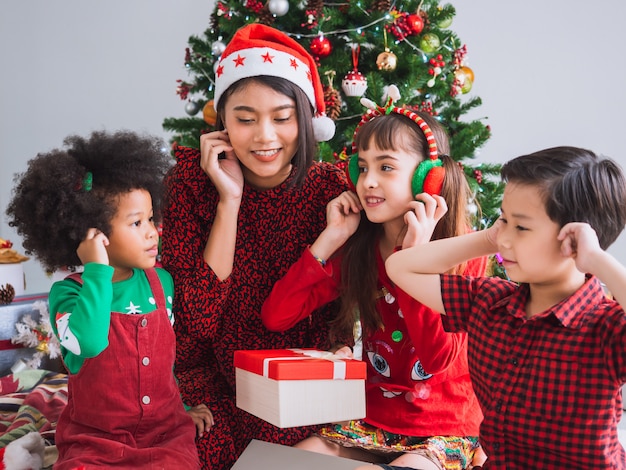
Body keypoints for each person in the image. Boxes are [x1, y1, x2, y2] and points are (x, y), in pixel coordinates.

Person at [262, 87, 487, 470]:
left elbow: (437, 359)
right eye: (362, 167)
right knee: (292, 462)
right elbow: (277, 315)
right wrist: (330, 238)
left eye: (385, 167)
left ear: (427, 180)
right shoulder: (361, 250)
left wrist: (412, 262)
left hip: (444, 427)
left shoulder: (464, 254)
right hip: (372, 420)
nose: (367, 181)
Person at [160, 24, 350, 469]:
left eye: (282, 117)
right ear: (223, 120)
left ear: (306, 119)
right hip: (212, 382)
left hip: (299, 385)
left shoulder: (333, 190)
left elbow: (348, 305)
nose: (265, 136)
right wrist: (230, 200)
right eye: (245, 119)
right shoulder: (189, 184)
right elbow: (197, 322)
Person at [385, 146, 626, 469]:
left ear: (575, 238)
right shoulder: (488, 301)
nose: (506, 239)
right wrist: (488, 237)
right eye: (503, 219)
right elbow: (400, 268)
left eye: (521, 227)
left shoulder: (607, 328)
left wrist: (597, 260)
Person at [6, 130, 213, 469]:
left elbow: (162, 364)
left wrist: (183, 409)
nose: (152, 231)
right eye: (136, 222)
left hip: (165, 435)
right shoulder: (69, 293)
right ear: (94, 234)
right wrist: (96, 269)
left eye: (151, 218)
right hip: (95, 440)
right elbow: (88, 342)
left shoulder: (160, 283)